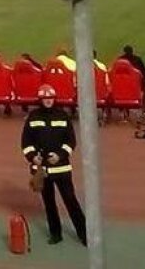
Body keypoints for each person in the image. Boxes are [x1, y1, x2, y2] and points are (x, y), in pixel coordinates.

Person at [21, 84, 88, 246]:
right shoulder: (33, 117)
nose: (48, 101)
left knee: (70, 200)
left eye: (50, 98)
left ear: (54, 99)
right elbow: (26, 142)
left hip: (62, 168)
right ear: (41, 100)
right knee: (49, 202)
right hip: (42, 170)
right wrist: (32, 157)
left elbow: (70, 141)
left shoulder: (63, 116)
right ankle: (55, 233)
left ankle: (84, 234)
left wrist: (60, 155)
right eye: (45, 99)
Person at [119, 45, 145, 117]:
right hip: (136, 87)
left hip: (123, 87)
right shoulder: (137, 59)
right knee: (144, 92)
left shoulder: (120, 60)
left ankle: (122, 110)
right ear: (132, 51)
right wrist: (144, 85)